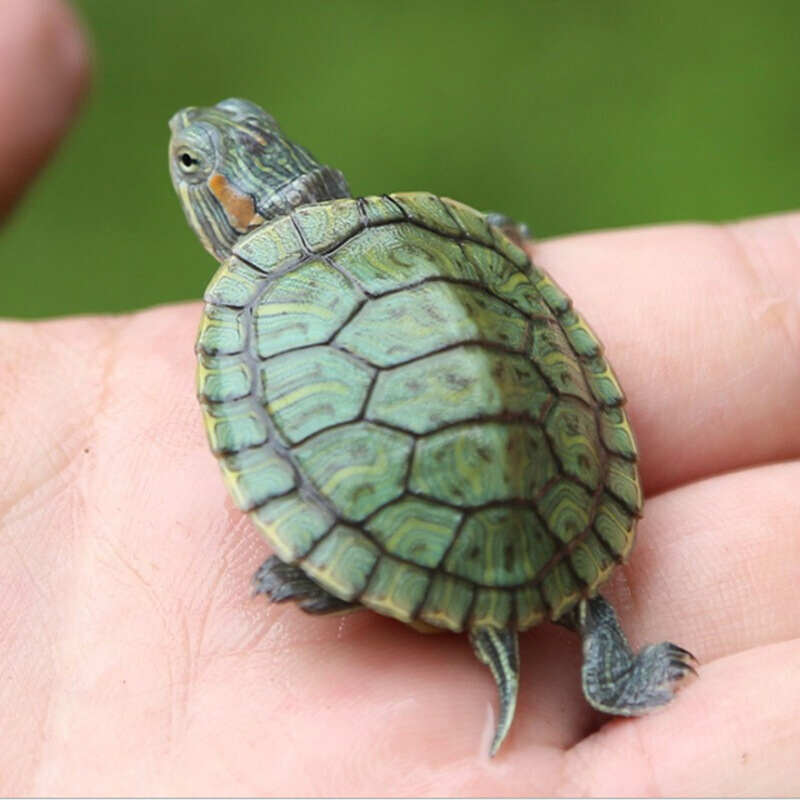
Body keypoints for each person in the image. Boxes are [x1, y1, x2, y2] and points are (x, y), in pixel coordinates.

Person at [1, 1, 799, 795]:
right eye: (190, 160)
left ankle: (346, 563)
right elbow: (482, 259)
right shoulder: (432, 230)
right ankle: (598, 656)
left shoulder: (261, 300)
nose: (182, 140)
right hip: (547, 498)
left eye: (189, 166)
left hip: (419, 488)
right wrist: (486, 238)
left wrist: (328, 541)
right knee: (563, 567)